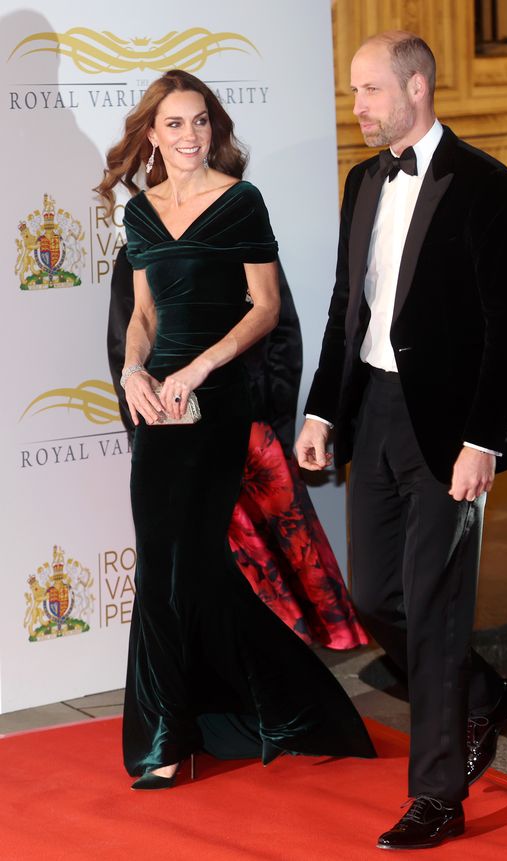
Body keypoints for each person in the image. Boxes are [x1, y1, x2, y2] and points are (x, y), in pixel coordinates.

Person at [95, 68, 375, 790]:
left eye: (200, 122)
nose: (190, 136)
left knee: (183, 564)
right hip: (160, 404)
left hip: (217, 400)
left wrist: (198, 368)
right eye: (174, 124)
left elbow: (264, 307)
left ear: (214, 128)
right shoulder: (141, 213)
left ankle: (175, 732)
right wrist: (133, 372)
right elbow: (145, 316)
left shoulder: (241, 201)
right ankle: (212, 718)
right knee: (171, 565)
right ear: (151, 136)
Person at [295, 31, 507, 850]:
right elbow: (344, 308)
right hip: (376, 413)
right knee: (373, 598)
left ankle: (437, 794)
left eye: (367, 90)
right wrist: (323, 412)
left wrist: (485, 440)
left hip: (452, 426)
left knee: (434, 610)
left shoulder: (487, 187)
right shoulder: (362, 179)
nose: (355, 105)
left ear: (416, 88)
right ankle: (479, 690)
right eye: (354, 91)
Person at [108, 246, 367, 649]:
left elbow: (283, 334)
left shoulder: (246, 238)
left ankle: (277, 660)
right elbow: (125, 348)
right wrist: (145, 430)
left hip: (251, 436)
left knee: (278, 572)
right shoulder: (140, 249)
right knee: (201, 567)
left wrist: (276, 425)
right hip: (178, 437)